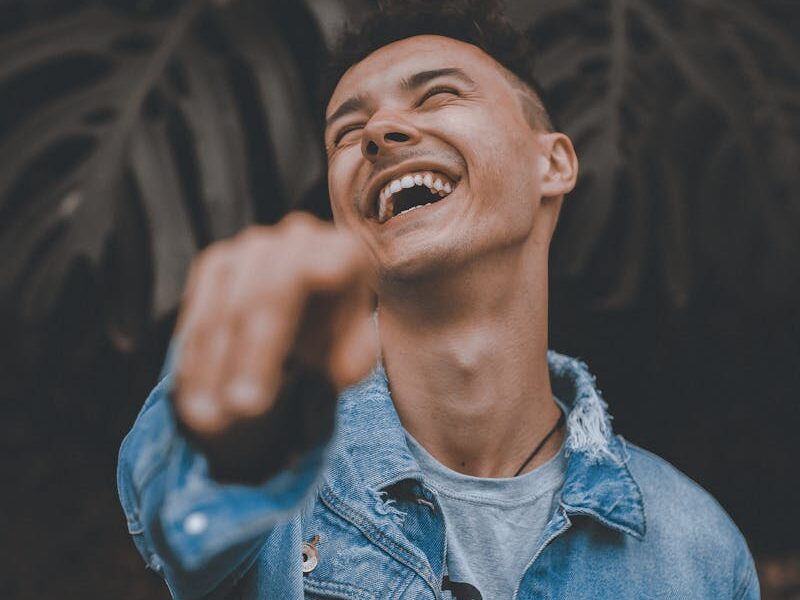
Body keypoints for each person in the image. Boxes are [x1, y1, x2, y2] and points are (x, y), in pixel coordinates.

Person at [117, 2, 759, 598]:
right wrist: (233, 445)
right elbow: (183, 513)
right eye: (347, 132)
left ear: (553, 164)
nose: (379, 132)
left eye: (439, 95)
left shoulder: (697, 548)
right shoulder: (275, 453)